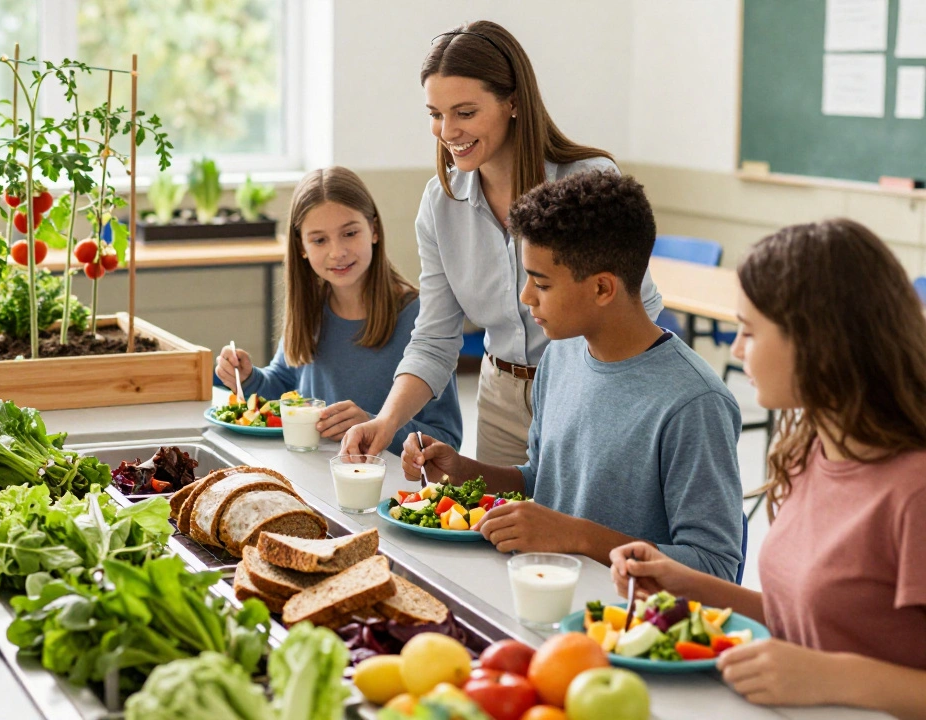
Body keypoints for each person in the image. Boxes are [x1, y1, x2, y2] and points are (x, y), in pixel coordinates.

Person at [609, 219, 926, 717]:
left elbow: (833, 658)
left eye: (750, 331)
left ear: (822, 342)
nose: (735, 350)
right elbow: (808, 620)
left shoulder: (914, 490)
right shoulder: (810, 448)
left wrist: (833, 677)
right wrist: (684, 583)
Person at [342, 20, 663, 465]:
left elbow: (637, 311)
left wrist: (598, 400)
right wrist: (387, 420)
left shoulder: (587, 181)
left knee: (571, 530)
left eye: (465, 112)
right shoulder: (441, 202)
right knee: (501, 531)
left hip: (588, 392)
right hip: (501, 399)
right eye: (436, 114)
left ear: (513, 102)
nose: (447, 130)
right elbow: (435, 338)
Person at [405, 171, 743, 580]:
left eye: (541, 283)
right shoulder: (560, 355)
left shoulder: (694, 403)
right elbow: (543, 480)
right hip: (545, 591)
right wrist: (465, 471)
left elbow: (714, 567)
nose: (525, 296)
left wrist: (578, 537)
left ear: (602, 289)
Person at [216, 168, 463, 451]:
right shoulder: (310, 309)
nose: (337, 252)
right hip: (312, 475)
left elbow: (447, 440)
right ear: (302, 247)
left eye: (349, 233)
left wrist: (374, 424)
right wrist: (248, 379)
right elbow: (284, 389)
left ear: (374, 230)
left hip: (387, 486)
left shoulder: (422, 318)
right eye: (320, 240)